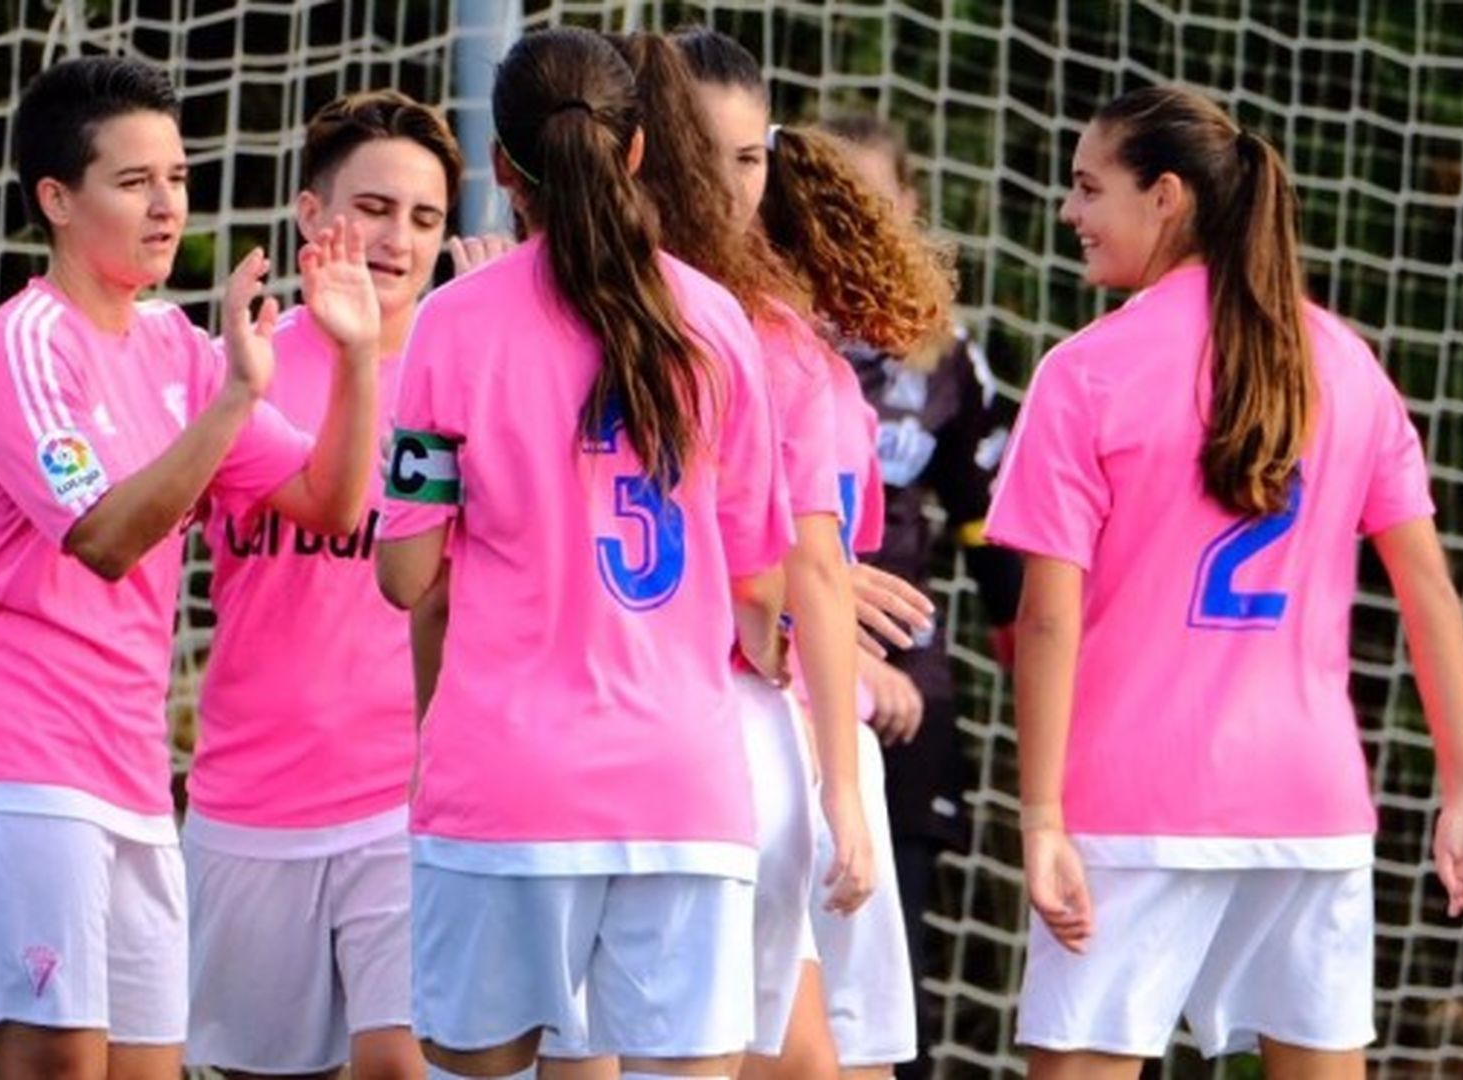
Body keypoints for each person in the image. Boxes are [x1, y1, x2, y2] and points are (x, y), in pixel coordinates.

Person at [986, 84, 1463, 1077]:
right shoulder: (1348, 367)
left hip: (1136, 801)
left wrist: (1041, 815)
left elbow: (1047, 619)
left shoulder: (1087, 371)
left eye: (1090, 188)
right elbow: (1429, 592)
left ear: (1168, 196)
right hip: (1309, 802)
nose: (1069, 213)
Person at [0, 56, 381, 1078]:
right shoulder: (26, 343)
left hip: (128, 777)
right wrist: (232, 404)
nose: (167, 207)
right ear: (57, 200)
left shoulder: (179, 348)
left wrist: (353, 356)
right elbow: (107, 540)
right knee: (62, 1065)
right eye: (134, 183)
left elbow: (333, 506)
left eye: (179, 179)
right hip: (15, 762)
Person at [372, 26, 792, 1080]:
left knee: (478, 1061)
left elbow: (405, 574)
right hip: (685, 788)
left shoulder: (453, 323)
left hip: (508, 785)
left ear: (507, 171)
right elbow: (760, 579)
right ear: (640, 149)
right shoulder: (716, 321)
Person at [676, 27, 957, 1080]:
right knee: (831, 1050)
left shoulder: (747, 357)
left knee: (777, 1049)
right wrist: (815, 600)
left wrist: (807, 603)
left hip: (767, 732)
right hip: (806, 738)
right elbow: (801, 572)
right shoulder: (823, 378)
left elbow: (771, 573)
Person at [182, 90, 467, 1080]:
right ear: (312, 216)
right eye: (375, 208)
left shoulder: (465, 366)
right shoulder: (243, 364)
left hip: (409, 792)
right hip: (254, 790)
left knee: (400, 1062)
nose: (398, 238)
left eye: (424, 218)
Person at [822, 112, 1024, 1080]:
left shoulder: (945, 352)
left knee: (891, 972)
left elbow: (996, 530)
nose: (858, 218)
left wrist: (1041, 677)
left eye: (875, 197)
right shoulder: (759, 326)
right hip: (779, 663)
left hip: (908, 689)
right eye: (836, 197)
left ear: (909, 207)